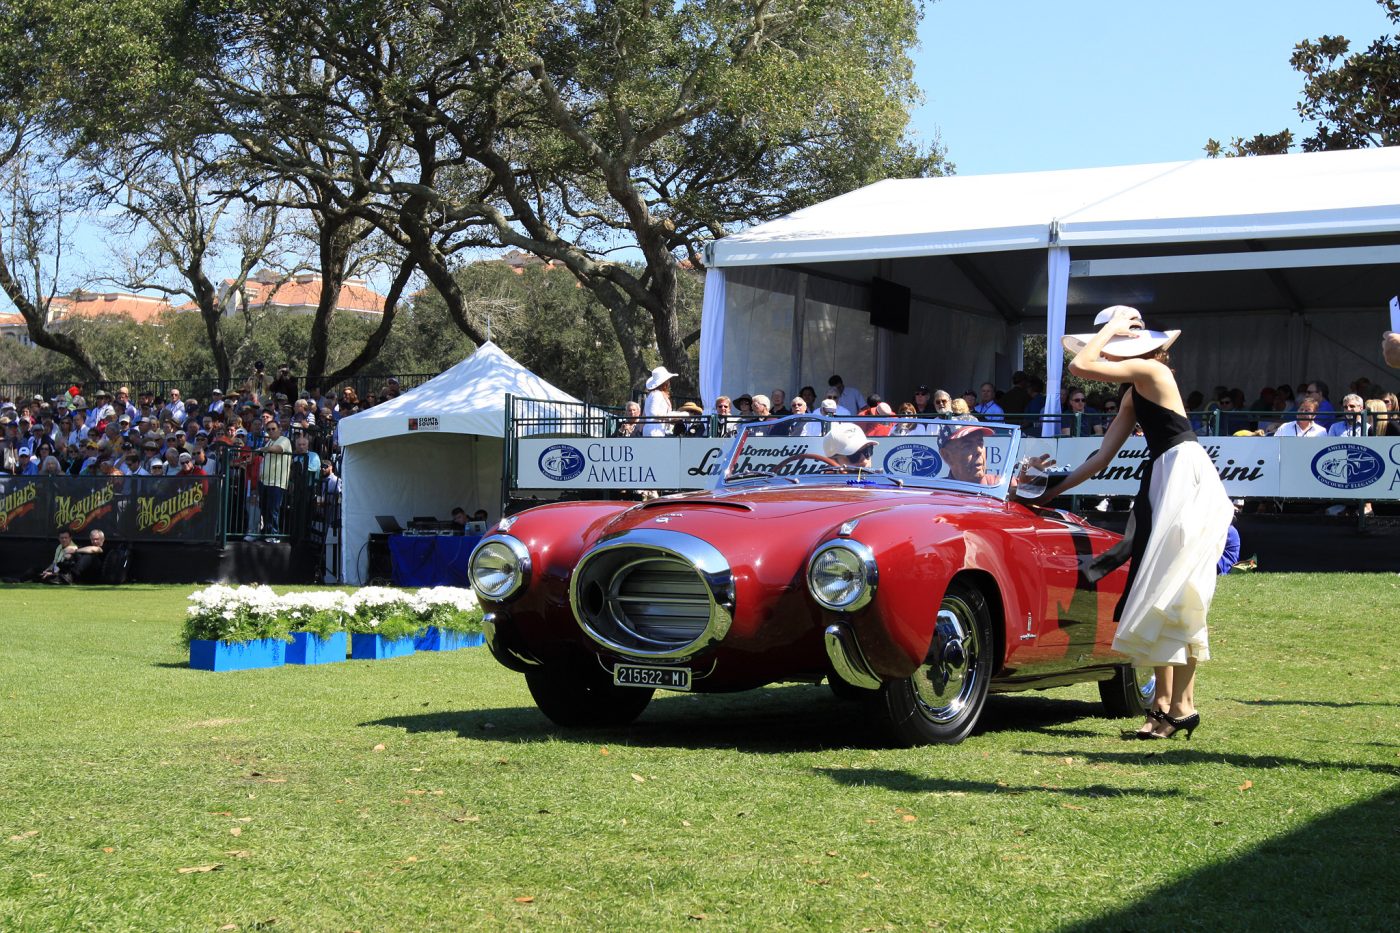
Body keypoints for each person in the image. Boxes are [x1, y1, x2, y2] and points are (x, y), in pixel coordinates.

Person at [1034, 305, 1233, 741]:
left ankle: (1180, 705)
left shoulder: (1153, 373)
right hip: (1169, 480)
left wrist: (1109, 332)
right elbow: (1102, 457)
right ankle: (1165, 705)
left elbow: (1081, 364)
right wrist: (1052, 490)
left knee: (1178, 591)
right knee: (1160, 589)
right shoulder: (1133, 389)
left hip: (1186, 481)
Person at [641, 366, 676, 438]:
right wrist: (669, 418)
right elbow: (653, 413)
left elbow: (644, 415)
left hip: (654, 430)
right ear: (665, 382)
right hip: (655, 432)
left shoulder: (652, 394)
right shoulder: (657, 394)